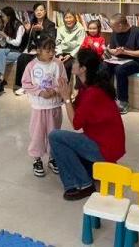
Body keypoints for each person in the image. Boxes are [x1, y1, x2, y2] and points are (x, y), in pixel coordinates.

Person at [49, 48, 126, 201]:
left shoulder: (92, 92)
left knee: (55, 137)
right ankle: (95, 169)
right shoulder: (89, 87)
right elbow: (76, 109)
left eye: (76, 62)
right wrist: (65, 95)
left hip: (104, 148)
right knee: (63, 148)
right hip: (103, 143)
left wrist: (66, 98)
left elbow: (76, 124)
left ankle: (84, 185)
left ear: (83, 69)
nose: (73, 64)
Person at [21, 37, 67, 177]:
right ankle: (37, 159)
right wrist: (40, 92)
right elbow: (26, 83)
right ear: (39, 50)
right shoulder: (31, 65)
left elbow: (64, 81)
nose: (51, 53)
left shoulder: (58, 64)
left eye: (53, 50)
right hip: (38, 107)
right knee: (37, 134)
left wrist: (54, 91)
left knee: (54, 133)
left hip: (54, 106)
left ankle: (53, 158)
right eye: (48, 50)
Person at [103, 14, 139, 114]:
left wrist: (125, 52)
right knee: (104, 66)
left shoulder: (138, 32)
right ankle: (107, 97)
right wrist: (114, 52)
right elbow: (112, 49)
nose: (112, 29)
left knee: (120, 69)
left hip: (137, 61)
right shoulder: (115, 32)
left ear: (120, 25)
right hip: (119, 59)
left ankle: (123, 101)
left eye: (113, 27)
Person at [14, 3, 56, 95]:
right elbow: (26, 41)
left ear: (45, 12)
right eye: (36, 10)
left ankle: (33, 86)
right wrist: (27, 31)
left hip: (44, 51)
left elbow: (52, 40)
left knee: (33, 60)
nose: (39, 12)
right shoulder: (32, 23)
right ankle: (22, 85)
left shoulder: (50, 24)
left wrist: (42, 30)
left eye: (41, 10)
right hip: (32, 50)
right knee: (22, 58)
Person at [0, 7, 25, 93]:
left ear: (9, 16)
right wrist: (1, 39)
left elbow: (17, 43)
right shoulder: (7, 25)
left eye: (3, 16)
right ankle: (0, 80)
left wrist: (6, 36)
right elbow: (4, 45)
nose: (2, 18)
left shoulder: (19, 26)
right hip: (7, 50)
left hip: (18, 52)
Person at [55, 11, 85, 80]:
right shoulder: (60, 29)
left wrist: (70, 55)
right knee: (54, 64)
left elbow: (80, 45)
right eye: (66, 18)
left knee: (66, 66)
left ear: (75, 19)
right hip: (61, 53)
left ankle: (65, 85)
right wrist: (59, 55)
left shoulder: (80, 29)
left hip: (74, 54)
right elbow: (58, 43)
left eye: (70, 17)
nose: (68, 20)